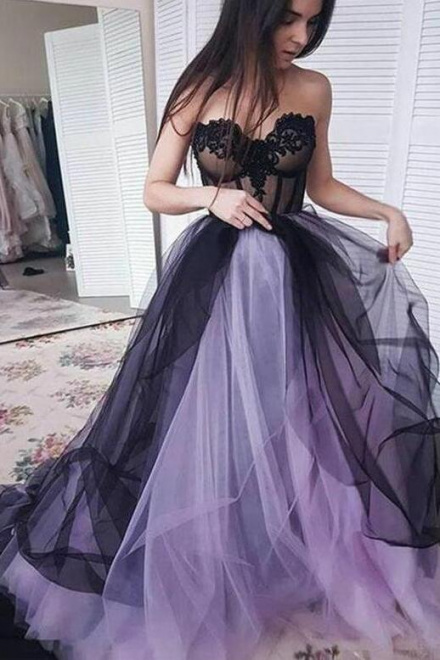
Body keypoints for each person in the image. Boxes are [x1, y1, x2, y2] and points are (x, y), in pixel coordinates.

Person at [1, 0, 440, 658]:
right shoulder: (200, 86)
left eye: (312, 22)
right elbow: (155, 187)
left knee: (298, 409)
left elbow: (320, 186)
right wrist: (210, 195)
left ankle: (288, 535)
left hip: (295, 271)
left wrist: (387, 211)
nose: (301, 36)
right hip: (217, 271)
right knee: (206, 410)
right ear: (252, 12)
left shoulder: (313, 89)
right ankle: (209, 536)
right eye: (289, 18)